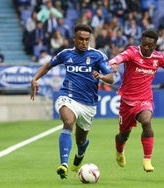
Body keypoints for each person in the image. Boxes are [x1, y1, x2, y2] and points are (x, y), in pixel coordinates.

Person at [30, 23, 114, 179]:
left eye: (86, 40)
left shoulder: (97, 56)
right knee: (68, 122)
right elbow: (48, 66)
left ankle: (80, 153)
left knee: (81, 140)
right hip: (67, 97)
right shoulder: (65, 54)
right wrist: (35, 78)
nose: (83, 42)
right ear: (74, 39)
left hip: (88, 104)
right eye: (80, 39)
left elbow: (111, 77)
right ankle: (64, 164)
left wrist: (102, 77)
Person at [108, 29, 164, 172]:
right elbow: (115, 59)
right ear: (140, 42)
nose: (146, 48)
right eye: (144, 44)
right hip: (127, 101)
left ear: (155, 46)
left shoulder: (159, 58)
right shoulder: (132, 52)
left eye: (150, 46)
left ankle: (147, 160)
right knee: (123, 135)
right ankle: (119, 150)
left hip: (145, 99)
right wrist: (114, 64)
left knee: (146, 121)